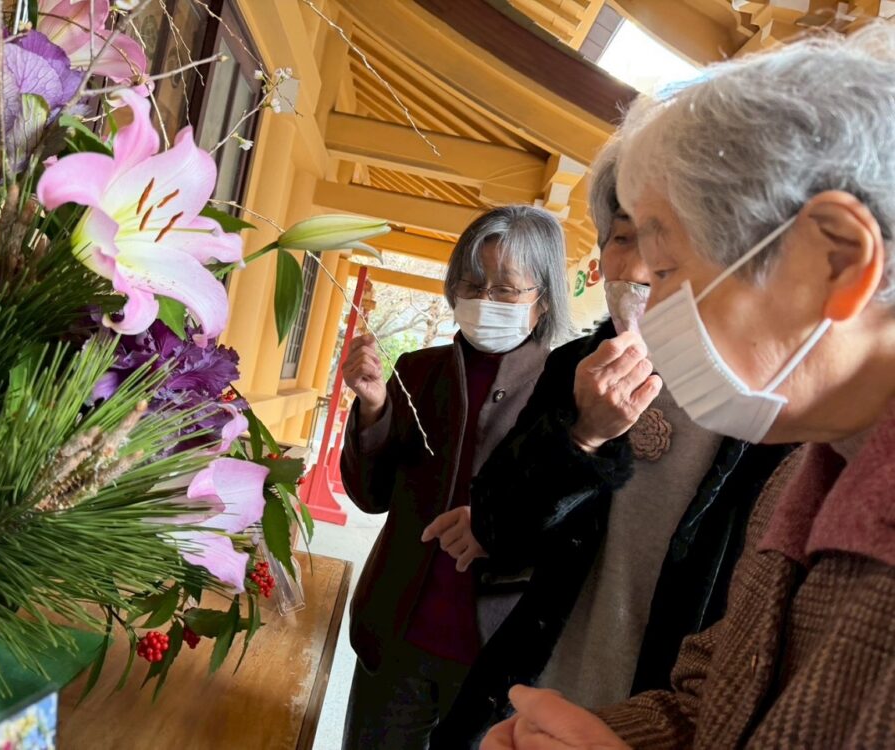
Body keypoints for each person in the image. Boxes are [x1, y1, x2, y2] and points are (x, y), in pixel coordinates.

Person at [482, 23, 895, 749]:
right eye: (626, 245)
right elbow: (717, 698)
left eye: (669, 268)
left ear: (834, 259)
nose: (643, 288)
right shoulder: (807, 470)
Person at [430, 140, 792, 747]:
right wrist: (583, 435)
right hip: (527, 696)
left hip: (657, 724)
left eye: (673, 236)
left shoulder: (775, 415)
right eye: (623, 237)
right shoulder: (575, 365)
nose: (641, 266)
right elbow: (498, 526)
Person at [339, 205, 570, 749]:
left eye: (507, 289)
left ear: (543, 301)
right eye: (472, 283)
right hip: (396, 634)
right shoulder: (417, 371)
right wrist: (373, 410)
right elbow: (370, 496)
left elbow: (573, 522)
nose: (485, 300)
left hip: (496, 654)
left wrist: (498, 526)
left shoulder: (568, 390)